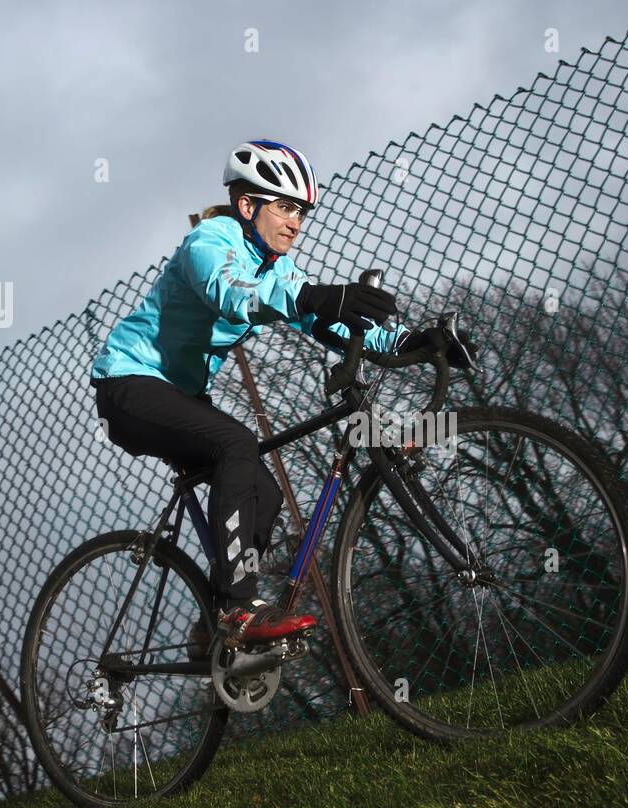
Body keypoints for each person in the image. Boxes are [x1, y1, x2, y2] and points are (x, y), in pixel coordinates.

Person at [89, 140, 448, 658]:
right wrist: (311, 296)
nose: (296, 223)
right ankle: (239, 610)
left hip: (179, 394)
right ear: (247, 205)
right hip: (129, 384)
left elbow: (325, 318)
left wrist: (410, 342)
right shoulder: (208, 242)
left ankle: (212, 626)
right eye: (284, 207)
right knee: (236, 443)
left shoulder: (277, 268)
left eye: (301, 212)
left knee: (264, 487)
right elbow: (231, 293)